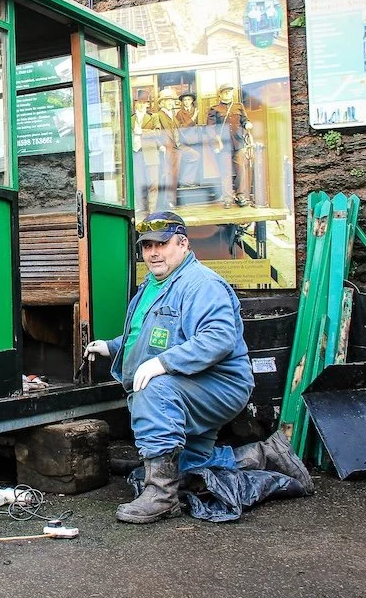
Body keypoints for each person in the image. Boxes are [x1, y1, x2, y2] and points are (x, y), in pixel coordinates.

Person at [84, 211, 312, 523]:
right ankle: (266, 456)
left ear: (183, 244)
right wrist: (112, 346)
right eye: (147, 246)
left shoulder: (202, 284)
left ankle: (162, 496)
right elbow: (146, 332)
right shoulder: (154, 284)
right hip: (190, 382)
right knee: (192, 465)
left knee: (153, 390)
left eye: (161, 245)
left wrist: (163, 363)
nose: (153, 253)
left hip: (218, 384)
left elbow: (218, 338)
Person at [207, 83, 254, 208]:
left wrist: (247, 124)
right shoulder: (214, 109)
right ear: (220, 94)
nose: (228, 93)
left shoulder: (239, 106)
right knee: (226, 172)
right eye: (225, 92)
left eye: (229, 91)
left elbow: (244, 119)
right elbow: (210, 129)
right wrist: (216, 143)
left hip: (238, 143)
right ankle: (227, 198)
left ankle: (240, 196)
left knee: (240, 170)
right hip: (224, 145)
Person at [144, 88, 181, 208]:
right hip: (165, 148)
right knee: (166, 175)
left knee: (174, 175)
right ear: (161, 103)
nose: (171, 102)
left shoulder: (173, 115)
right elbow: (156, 133)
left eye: (171, 100)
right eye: (167, 100)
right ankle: (166, 202)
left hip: (175, 148)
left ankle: (172, 200)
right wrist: (161, 146)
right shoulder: (158, 115)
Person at [174, 91, 204, 187]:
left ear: (192, 101)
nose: (186, 102)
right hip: (185, 140)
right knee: (190, 158)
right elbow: (181, 128)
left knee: (198, 159)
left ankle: (194, 180)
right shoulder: (179, 113)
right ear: (182, 102)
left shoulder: (198, 110)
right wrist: (193, 118)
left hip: (197, 139)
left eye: (188, 99)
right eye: (184, 100)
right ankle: (186, 181)